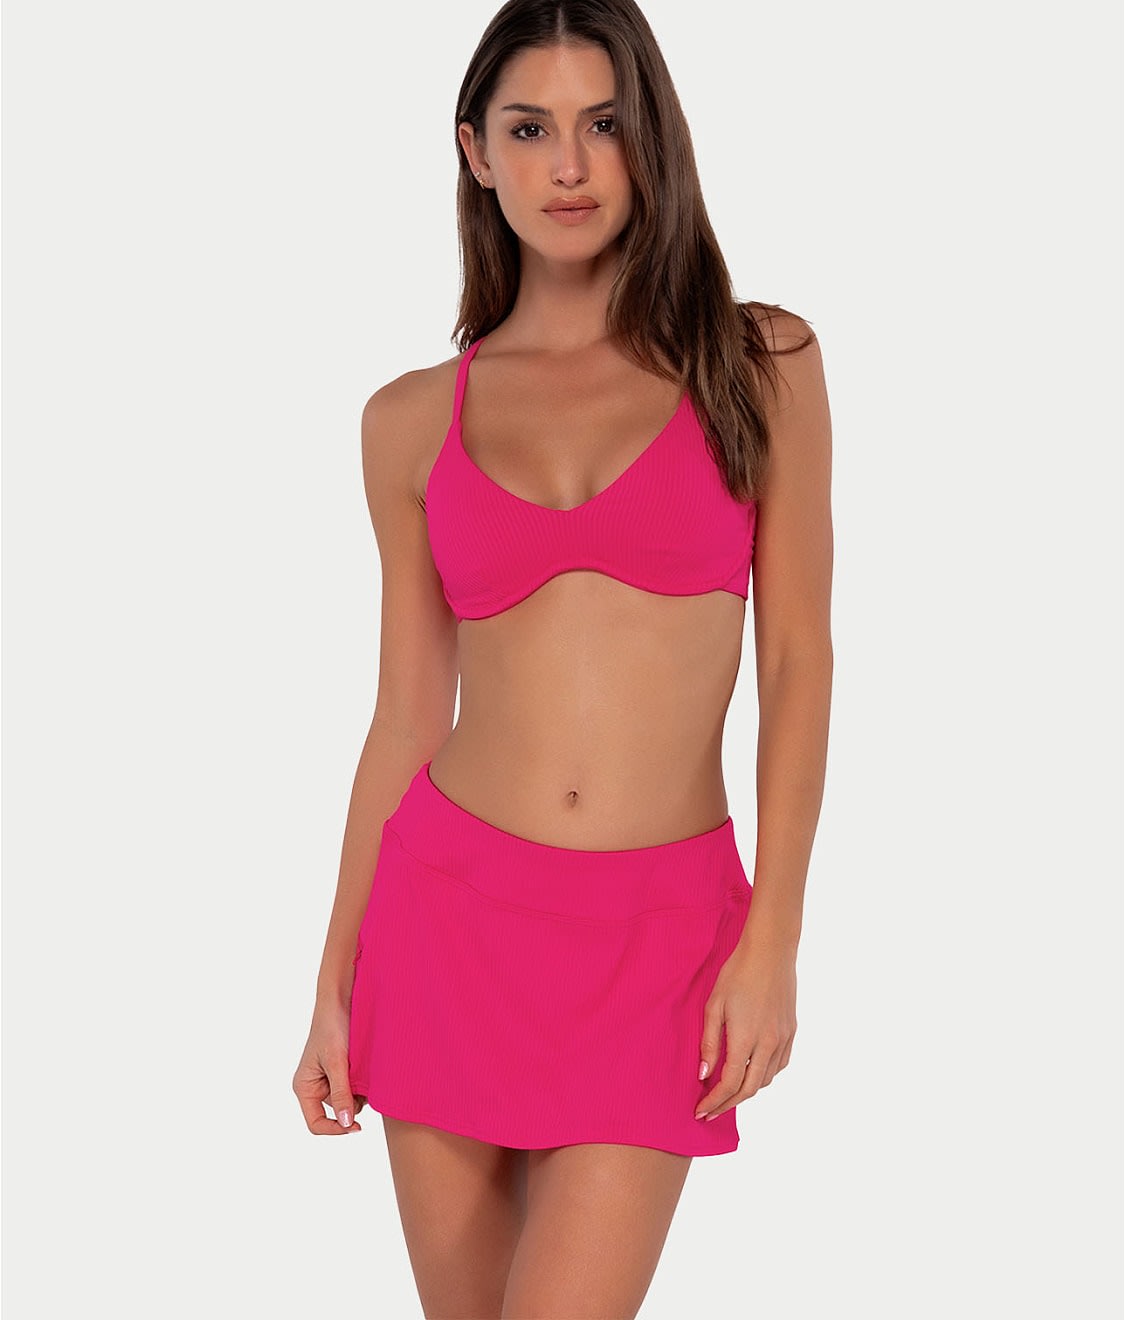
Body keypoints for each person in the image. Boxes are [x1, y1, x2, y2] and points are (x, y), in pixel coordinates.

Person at [293, 0, 833, 1314]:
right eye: (529, 129)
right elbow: (404, 717)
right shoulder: (409, 419)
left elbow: (799, 660)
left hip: (661, 940)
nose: (571, 166)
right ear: (475, 151)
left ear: (652, 140)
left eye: (604, 124)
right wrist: (332, 985)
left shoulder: (755, 361)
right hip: (444, 924)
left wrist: (773, 934)